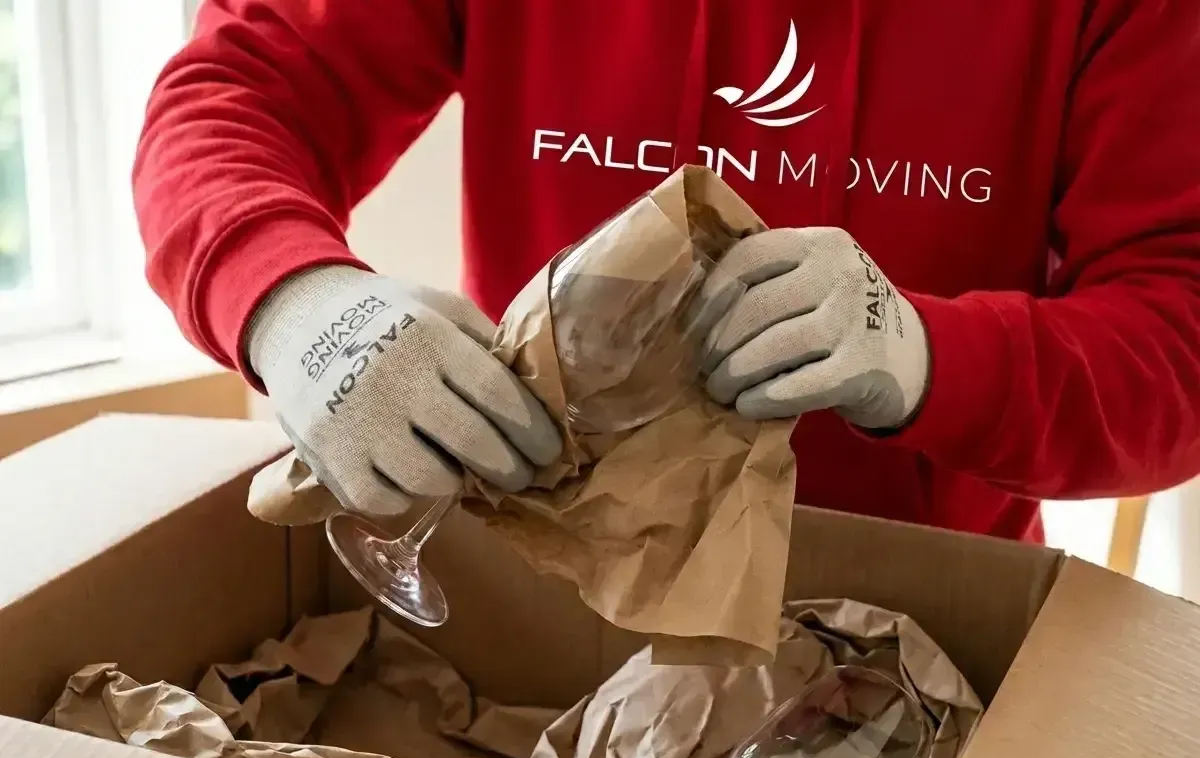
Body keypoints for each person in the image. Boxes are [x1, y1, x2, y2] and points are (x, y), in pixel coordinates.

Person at [134, 0, 1200, 541]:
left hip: (927, 612)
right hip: (546, 574)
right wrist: (294, 300)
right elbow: (240, 90)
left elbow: (1177, 328)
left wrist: (927, 353)